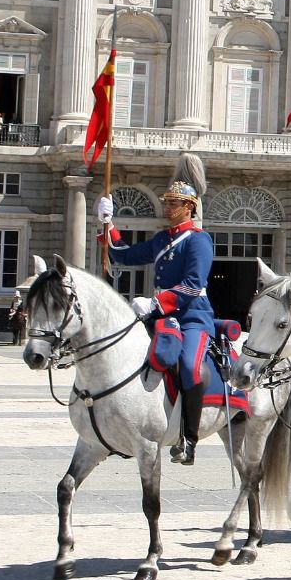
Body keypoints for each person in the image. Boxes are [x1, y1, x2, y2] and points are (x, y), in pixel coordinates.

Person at [97, 154, 213, 465]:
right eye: (167, 201)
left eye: (174, 203)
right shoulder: (163, 238)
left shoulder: (198, 241)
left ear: (189, 207)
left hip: (192, 317)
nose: (167, 207)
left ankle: (189, 440)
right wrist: (109, 225)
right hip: (161, 316)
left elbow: (192, 285)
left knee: (189, 366)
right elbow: (123, 255)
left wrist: (156, 303)